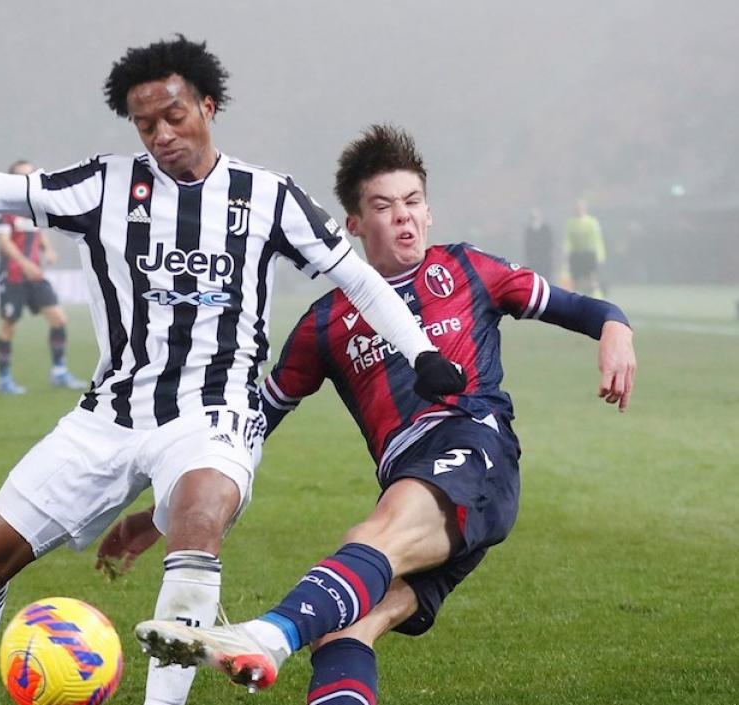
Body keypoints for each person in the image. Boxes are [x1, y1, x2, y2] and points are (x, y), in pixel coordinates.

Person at [0, 38, 464, 705]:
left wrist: (420, 353)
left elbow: (357, 277)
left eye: (174, 115)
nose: (161, 134)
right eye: (144, 122)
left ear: (208, 106)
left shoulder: (267, 198)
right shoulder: (105, 185)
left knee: (201, 511)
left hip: (214, 413)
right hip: (110, 416)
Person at [128, 124, 637, 701]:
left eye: (413, 202)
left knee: (373, 536)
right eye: (384, 206)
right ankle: (292, 639)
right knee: (343, 629)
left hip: (473, 449)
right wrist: (163, 513)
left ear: (429, 210)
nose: (404, 217)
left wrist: (615, 327)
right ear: (353, 224)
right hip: (415, 478)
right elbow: (250, 428)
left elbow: (580, 306)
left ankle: (268, 635)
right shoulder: (326, 321)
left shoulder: (469, 270)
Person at [0, 159, 87, 394]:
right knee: (8, 326)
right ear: (12, 178)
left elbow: (38, 233)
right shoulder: (4, 208)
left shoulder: (34, 205)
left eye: (30, 174)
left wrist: (48, 249)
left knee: (59, 319)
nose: (27, 178)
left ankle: (59, 372)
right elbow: (4, 243)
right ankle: (4, 379)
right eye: (22, 174)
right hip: (14, 276)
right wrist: (25, 264)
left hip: (35, 275)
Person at [563, 198, 606, 297]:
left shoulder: (592, 222)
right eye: (577, 208)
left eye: (581, 207)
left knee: (592, 279)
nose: (579, 210)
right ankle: (579, 303)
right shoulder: (570, 222)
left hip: (589, 254)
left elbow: (597, 240)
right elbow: (567, 240)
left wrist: (600, 255)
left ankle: (598, 300)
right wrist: (565, 253)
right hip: (576, 255)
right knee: (576, 281)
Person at [523, 207, 553, 279]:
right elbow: (527, 246)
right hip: (533, 259)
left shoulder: (546, 229)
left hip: (545, 259)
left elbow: (550, 244)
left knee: (546, 277)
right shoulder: (529, 230)